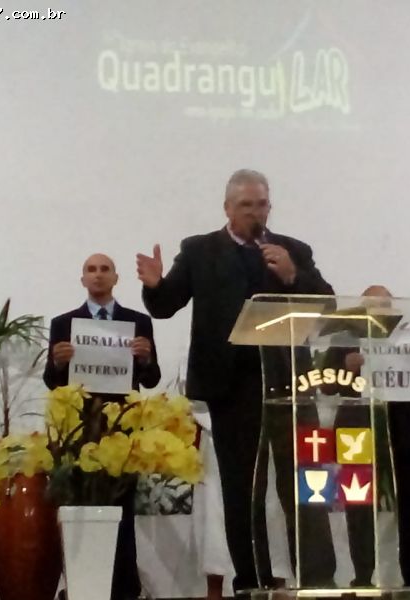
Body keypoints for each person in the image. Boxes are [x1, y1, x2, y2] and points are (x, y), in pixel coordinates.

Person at [136, 169, 335, 595]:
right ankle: (250, 582)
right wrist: (154, 286)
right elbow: (167, 304)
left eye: (261, 205)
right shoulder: (199, 250)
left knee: (306, 484)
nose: (254, 213)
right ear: (227, 208)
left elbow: (327, 304)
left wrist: (292, 276)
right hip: (232, 388)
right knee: (243, 491)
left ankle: (317, 578)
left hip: (289, 383)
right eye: (245, 205)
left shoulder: (293, 250)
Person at [44, 253, 161, 600]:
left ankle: (124, 588)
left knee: (123, 509)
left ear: (115, 278)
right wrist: (57, 363)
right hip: (79, 430)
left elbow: (151, 379)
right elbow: (52, 381)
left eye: (104, 269)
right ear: (83, 279)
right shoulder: (64, 324)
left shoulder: (138, 321)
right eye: (91, 270)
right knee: (80, 509)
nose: (98, 275)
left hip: (123, 429)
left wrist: (146, 357)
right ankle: (83, 584)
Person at [324, 285, 410, 591]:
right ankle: (362, 579)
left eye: (384, 307)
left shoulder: (406, 341)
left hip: (403, 435)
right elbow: (325, 385)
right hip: (357, 433)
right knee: (358, 509)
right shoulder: (344, 340)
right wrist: (345, 369)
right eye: (372, 307)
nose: (378, 314)